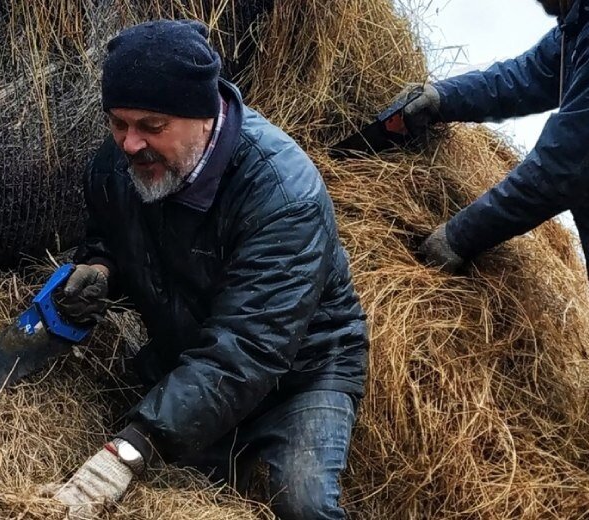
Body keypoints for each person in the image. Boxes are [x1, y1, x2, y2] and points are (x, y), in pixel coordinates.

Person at [50, 19, 369, 520]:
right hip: (189, 352)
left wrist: (134, 447)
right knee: (184, 494)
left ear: (205, 116)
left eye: (152, 127)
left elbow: (249, 346)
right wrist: (99, 266)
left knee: (302, 504)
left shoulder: (283, 195)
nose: (130, 144)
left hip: (302, 369)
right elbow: (107, 232)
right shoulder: (119, 165)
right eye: (117, 123)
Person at [403, 0, 589, 274]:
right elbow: (524, 76)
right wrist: (442, 97)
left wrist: (459, 237)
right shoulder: (575, 28)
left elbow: (562, 168)